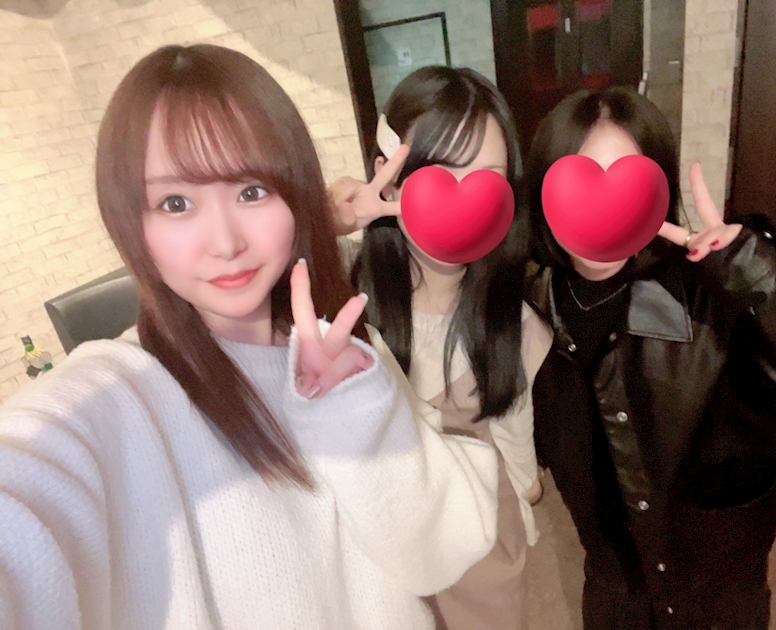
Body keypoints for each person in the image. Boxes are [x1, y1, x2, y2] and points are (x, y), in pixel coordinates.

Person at [0, 44, 503, 630]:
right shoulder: (118, 394)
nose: (225, 242)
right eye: (176, 202)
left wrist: (353, 412)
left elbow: (437, 554)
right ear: (129, 219)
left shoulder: (340, 346)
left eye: (251, 191)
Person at [525, 85, 776, 629]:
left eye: (626, 183)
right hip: (613, 603)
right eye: (576, 183)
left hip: (717, 611)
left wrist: (755, 272)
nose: (601, 207)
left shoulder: (718, 298)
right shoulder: (530, 310)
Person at [329, 65, 555, 630]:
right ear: (389, 178)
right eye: (442, 175)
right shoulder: (340, 305)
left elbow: (516, 441)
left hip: (479, 564)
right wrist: (328, 216)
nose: (465, 201)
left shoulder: (517, 324)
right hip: (375, 570)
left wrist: (526, 498)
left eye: (487, 182)